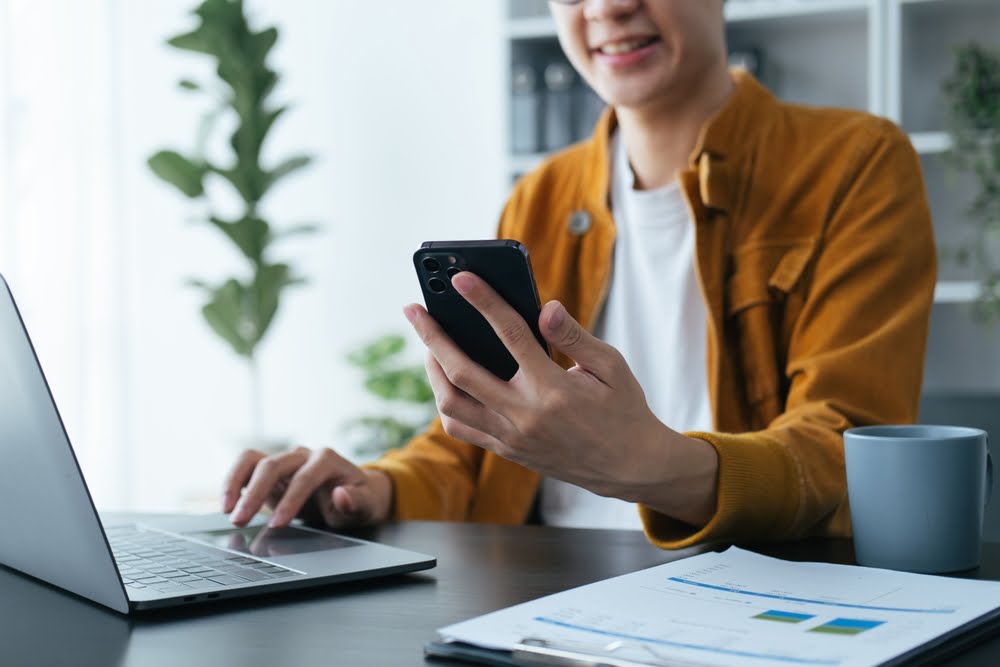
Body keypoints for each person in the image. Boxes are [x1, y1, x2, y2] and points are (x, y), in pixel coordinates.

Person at [221, 0, 935, 549]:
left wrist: (652, 465)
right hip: (534, 599)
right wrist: (376, 487)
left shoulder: (856, 165)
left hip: (754, 604)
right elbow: (478, 449)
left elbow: (849, 448)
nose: (606, 7)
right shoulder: (541, 196)